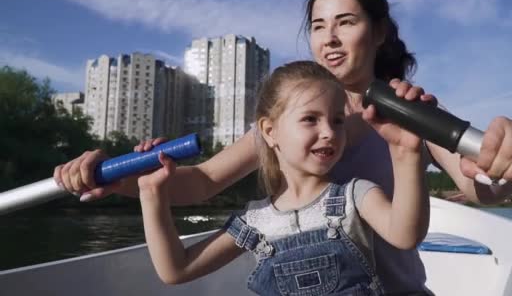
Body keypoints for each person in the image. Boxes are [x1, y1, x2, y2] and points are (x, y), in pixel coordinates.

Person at [54, 0, 512, 294]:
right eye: (318, 26)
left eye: (346, 22)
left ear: (379, 33)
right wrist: (126, 181)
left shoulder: (410, 112)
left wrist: (502, 165)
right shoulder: (285, 123)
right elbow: (203, 180)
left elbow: (479, 186)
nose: (329, 38)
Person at [139, 61, 429, 295]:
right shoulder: (255, 221)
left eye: (337, 120)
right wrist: (152, 194)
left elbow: (405, 235)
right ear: (269, 131)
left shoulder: (356, 196)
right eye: (310, 119)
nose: (329, 131)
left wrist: (406, 155)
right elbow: (177, 270)